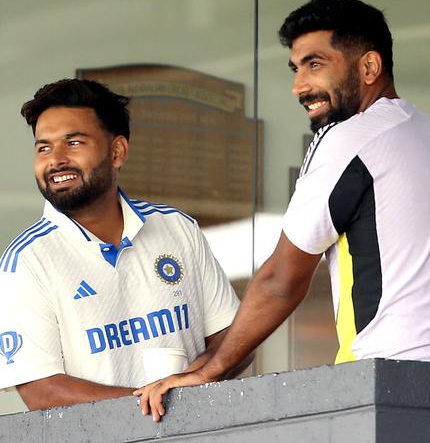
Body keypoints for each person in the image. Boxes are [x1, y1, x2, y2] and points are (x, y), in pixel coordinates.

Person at [136, 0, 430, 421]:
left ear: (369, 67)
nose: (300, 86)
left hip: (400, 384)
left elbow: (283, 278)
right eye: (296, 69)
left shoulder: (350, 137)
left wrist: (211, 370)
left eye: (315, 64)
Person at [0, 79, 249, 410]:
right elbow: (42, 392)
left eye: (73, 142)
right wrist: (158, 403)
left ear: (117, 151)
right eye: (43, 147)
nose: (56, 159)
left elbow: (234, 342)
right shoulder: (26, 261)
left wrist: (185, 390)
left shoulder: (176, 227)